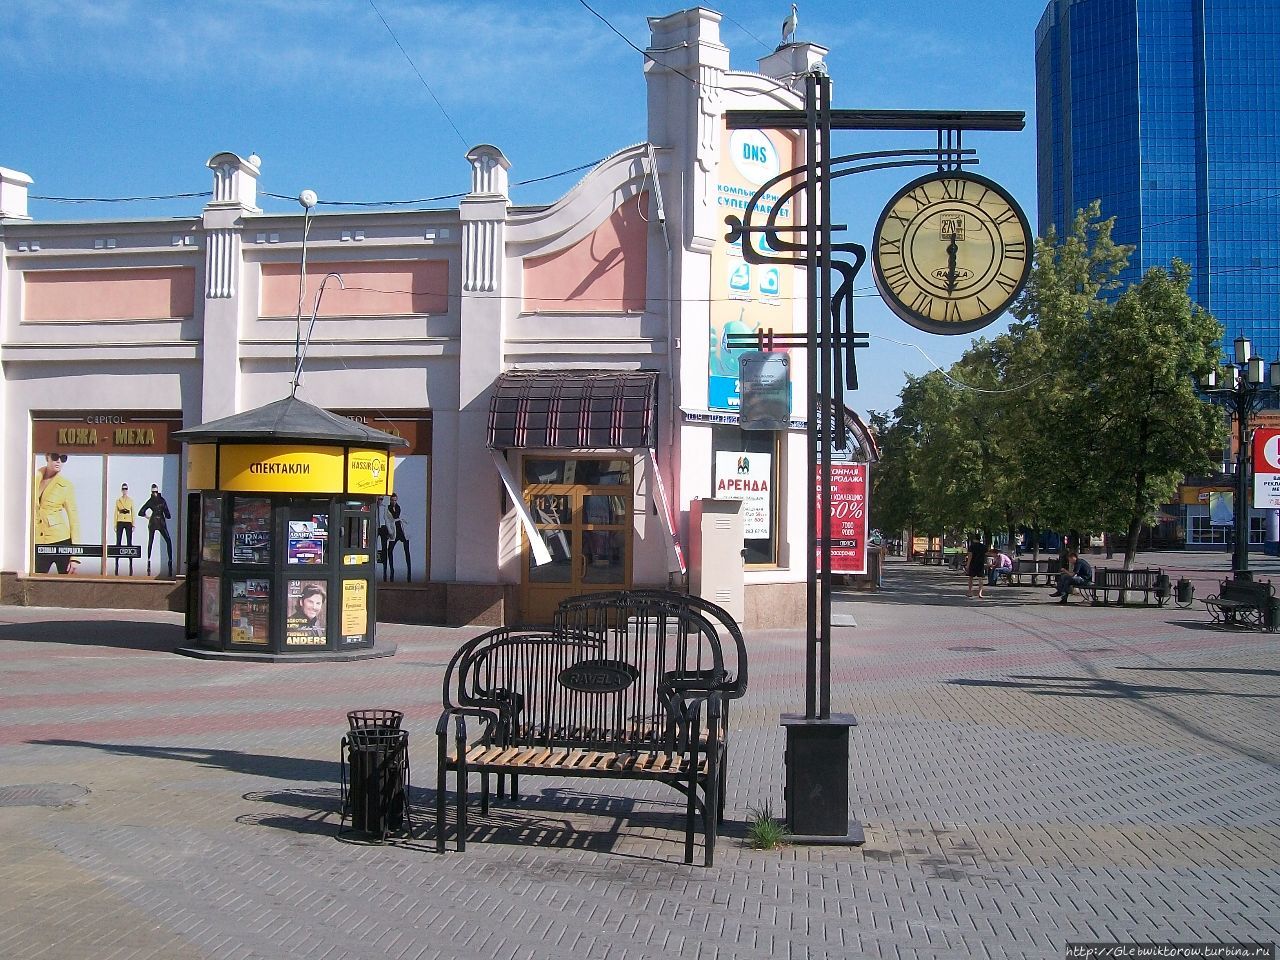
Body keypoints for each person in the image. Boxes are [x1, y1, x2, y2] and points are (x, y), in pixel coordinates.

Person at [33, 452, 80, 574]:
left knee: (66, 586)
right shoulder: (32, 478)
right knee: (35, 584)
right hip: (38, 542)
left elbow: (74, 520)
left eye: (63, 458)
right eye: (55, 457)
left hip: (61, 541)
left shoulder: (66, 486)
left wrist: (75, 556)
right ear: (46, 457)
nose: (59, 461)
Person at [138, 483, 173, 577]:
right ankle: (169, 560)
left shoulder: (151, 501)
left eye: (155, 492)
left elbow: (141, 512)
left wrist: (148, 517)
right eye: (154, 492)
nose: (154, 494)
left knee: (151, 541)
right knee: (167, 540)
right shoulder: (162, 500)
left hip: (153, 521)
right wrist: (166, 515)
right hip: (160, 521)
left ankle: (149, 559)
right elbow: (168, 514)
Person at [385, 493, 411, 581]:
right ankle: (391, 570)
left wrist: (402, 520)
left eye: (395, 500)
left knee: (407, 551)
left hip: (401, 530)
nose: (393, 502)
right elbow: (387, 520)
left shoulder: (399, 507)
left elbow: (405, 518)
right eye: (392, 500)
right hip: (394, 530)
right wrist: (390, 531)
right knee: (390, 550)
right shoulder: (387, 509)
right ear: (390, 500)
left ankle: (409, 571)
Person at [113, 482, 136, 575]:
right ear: (121, 490)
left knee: (129, 542)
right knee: (118, 541)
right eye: (123, 489)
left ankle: (130, 563)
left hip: (128, 521)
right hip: (120, 520)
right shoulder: (118, 500)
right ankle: (116, 563)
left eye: (126, 489)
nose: (124, 490)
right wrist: (115, 524)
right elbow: (115, 512)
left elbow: (133, 512)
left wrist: (133, 524)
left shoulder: (130, 500)